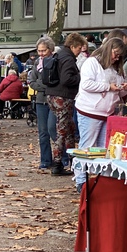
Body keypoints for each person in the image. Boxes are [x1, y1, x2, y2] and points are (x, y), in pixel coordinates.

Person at [74, 37, 127, 193]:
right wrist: (108, 87)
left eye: (119, 56)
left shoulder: (116, 68)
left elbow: (119, 93)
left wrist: (124, 87)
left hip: (107, 113)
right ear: (108, 49)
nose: (116, 57)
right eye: (115, 53)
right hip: (90, 110)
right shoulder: (92, 63)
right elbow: (86, 84)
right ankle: (81, 180)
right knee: (87, 146)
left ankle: (99, 178)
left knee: (103, 148)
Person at [44, 33, 82, 176]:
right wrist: (80, 77)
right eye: (79, 48)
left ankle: (72, 160)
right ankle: (58, 163)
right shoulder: (68, 59)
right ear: (72, 46)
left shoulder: (59, 55)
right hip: (63, 97)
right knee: (62, 130)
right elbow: (67, 79)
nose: (80, 51)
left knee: (69, 127)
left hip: (52, 95)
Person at [28, 37, 55, 169]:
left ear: (50, 49)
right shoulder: (37, 63)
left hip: (54, 100)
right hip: (40, 101)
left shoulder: (56, 61)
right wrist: (45, 86)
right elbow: (32, 82)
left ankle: (63, 157)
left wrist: (44, 85)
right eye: (39, 51)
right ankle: (45, 160)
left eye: (43, 51)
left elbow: (56, 82)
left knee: (53, 129)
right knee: (43, 132)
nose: (41, 53)